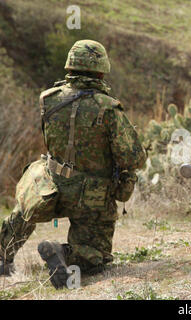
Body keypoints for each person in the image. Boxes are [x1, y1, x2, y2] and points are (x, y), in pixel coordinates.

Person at [0, 40, 147, 288]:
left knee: (26, 206)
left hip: (51, 185)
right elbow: (134, 159)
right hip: (91, 197)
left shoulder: (47, 99)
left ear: (70, 67)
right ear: (101, 70)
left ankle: (3, 254)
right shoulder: (109, 108)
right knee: (95, 255)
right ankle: (63, 254)